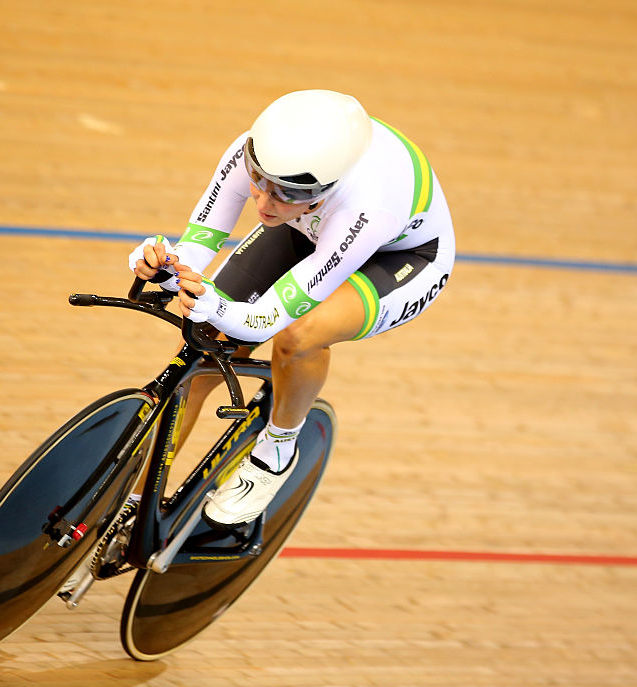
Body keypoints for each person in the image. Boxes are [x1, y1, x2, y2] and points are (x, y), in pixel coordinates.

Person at [129, 89, 455, 528]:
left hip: (403, 257)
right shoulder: (258, 153)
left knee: (297, 338)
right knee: (204, 350)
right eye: (258, 182)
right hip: (310, 225)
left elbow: (269, 316)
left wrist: (217, 306)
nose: (263, 203)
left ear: (327, 188)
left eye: (284, 192)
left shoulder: (370, 204)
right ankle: (128, 501)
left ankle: (278, 447)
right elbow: (199, 242)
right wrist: (165, 266)